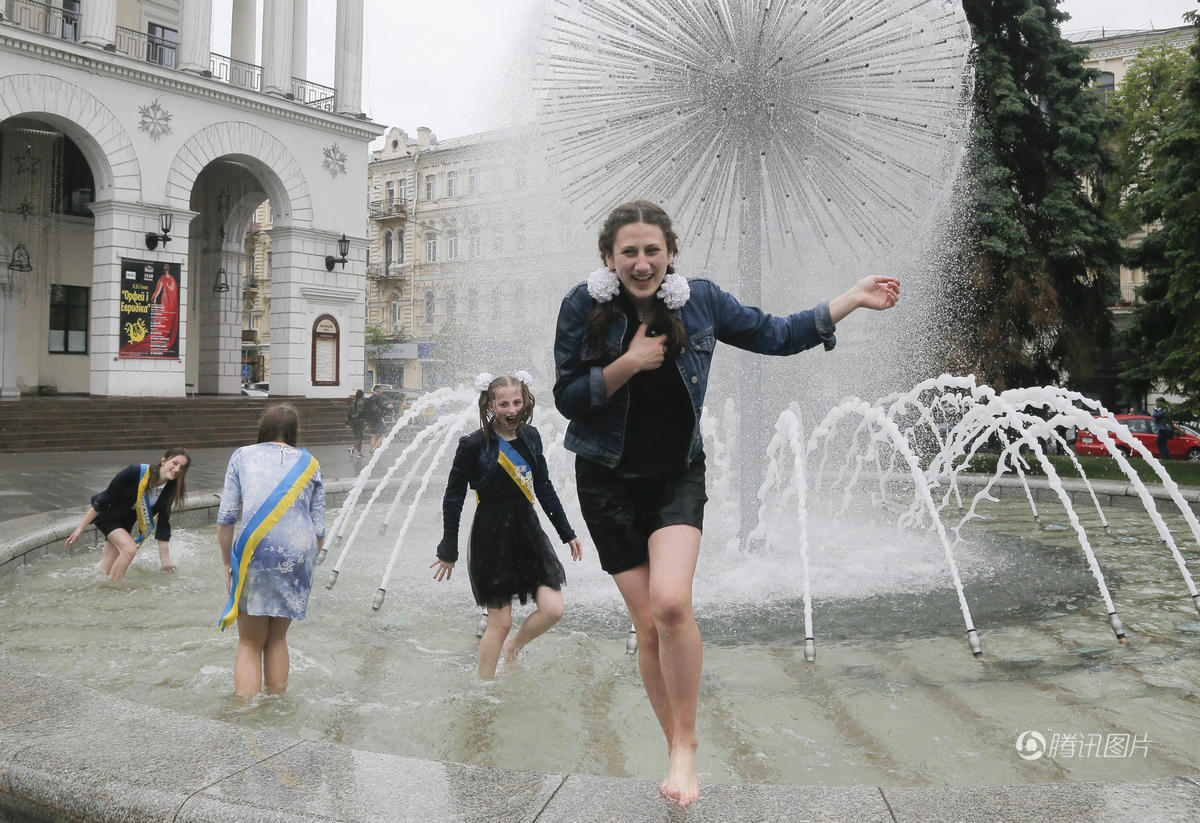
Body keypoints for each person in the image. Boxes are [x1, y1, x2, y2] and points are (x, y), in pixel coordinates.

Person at [552, 200, 900, 806]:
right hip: (605, 481)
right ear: (609, 258)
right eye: (628, 252)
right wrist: (628, 363)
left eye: (652, 250)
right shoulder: (584, 306)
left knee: (670, 604)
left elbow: (779, 334)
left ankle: (685, 748)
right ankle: (676, 746)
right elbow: (568, 400)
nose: (641, 262)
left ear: (670, 254)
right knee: (646, 624)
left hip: (676, 476)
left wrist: (851, 297)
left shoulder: (702, 301)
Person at [431, 371, 583, 679]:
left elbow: (544, 487)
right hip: (491, 536)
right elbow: (453, 498)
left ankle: (513, 647)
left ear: (526, 401)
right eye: (503, 404)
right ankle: (485, 686)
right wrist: (449, 547)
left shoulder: (532, 437)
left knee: (554, 609)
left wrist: (567, 533)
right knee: (500, 622)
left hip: (528, 533)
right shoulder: (473, 445)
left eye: (517, 402)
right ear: (490, 405)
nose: (511, 410)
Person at [217, 404, 326, 698]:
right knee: (277, 638)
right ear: (294, 432)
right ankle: (277, 701)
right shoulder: (311, 463)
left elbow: (226, 516)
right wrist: (305, 565)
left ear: (263, 427)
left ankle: (245, 709)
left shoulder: (242, 456)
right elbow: (319, 530)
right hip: (299, 553)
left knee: (250, 643)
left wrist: (228, 564)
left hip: (257, 551)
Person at [64, 448, 191, 581]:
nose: (177, 469)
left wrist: (165, 562)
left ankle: (74, 575)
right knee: (129, 549)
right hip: (108, 516)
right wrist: (80, 528)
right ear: (163, 461)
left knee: (103, 570)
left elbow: (163, 525)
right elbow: (104, 499)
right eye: (174, 463)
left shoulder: (169, 490)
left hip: (125, 524)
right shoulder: (135, 472)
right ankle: (114, 587)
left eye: (181, 467)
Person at [365, 384, 394, 454]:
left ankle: (372, 450)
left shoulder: (370, 398)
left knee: (373, 435)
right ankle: (374, 449)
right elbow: (382, 407)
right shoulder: (378, 398)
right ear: (378, 390)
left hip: (371, 419)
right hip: (378, 418)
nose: (381, 391)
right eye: (381, 390)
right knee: (384, 434)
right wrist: (388, 407)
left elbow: (367, 410)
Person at [346, 388, 366, 456]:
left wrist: (347, 422)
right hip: (359, 421)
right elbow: (362, 412)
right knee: (360, 437)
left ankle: (359, 453)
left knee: (357, 437)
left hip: (353, 422)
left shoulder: (353, 402)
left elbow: (349, 413)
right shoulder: (362, 402)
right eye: (363, 394)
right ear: (362, 395)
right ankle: (353, 448)